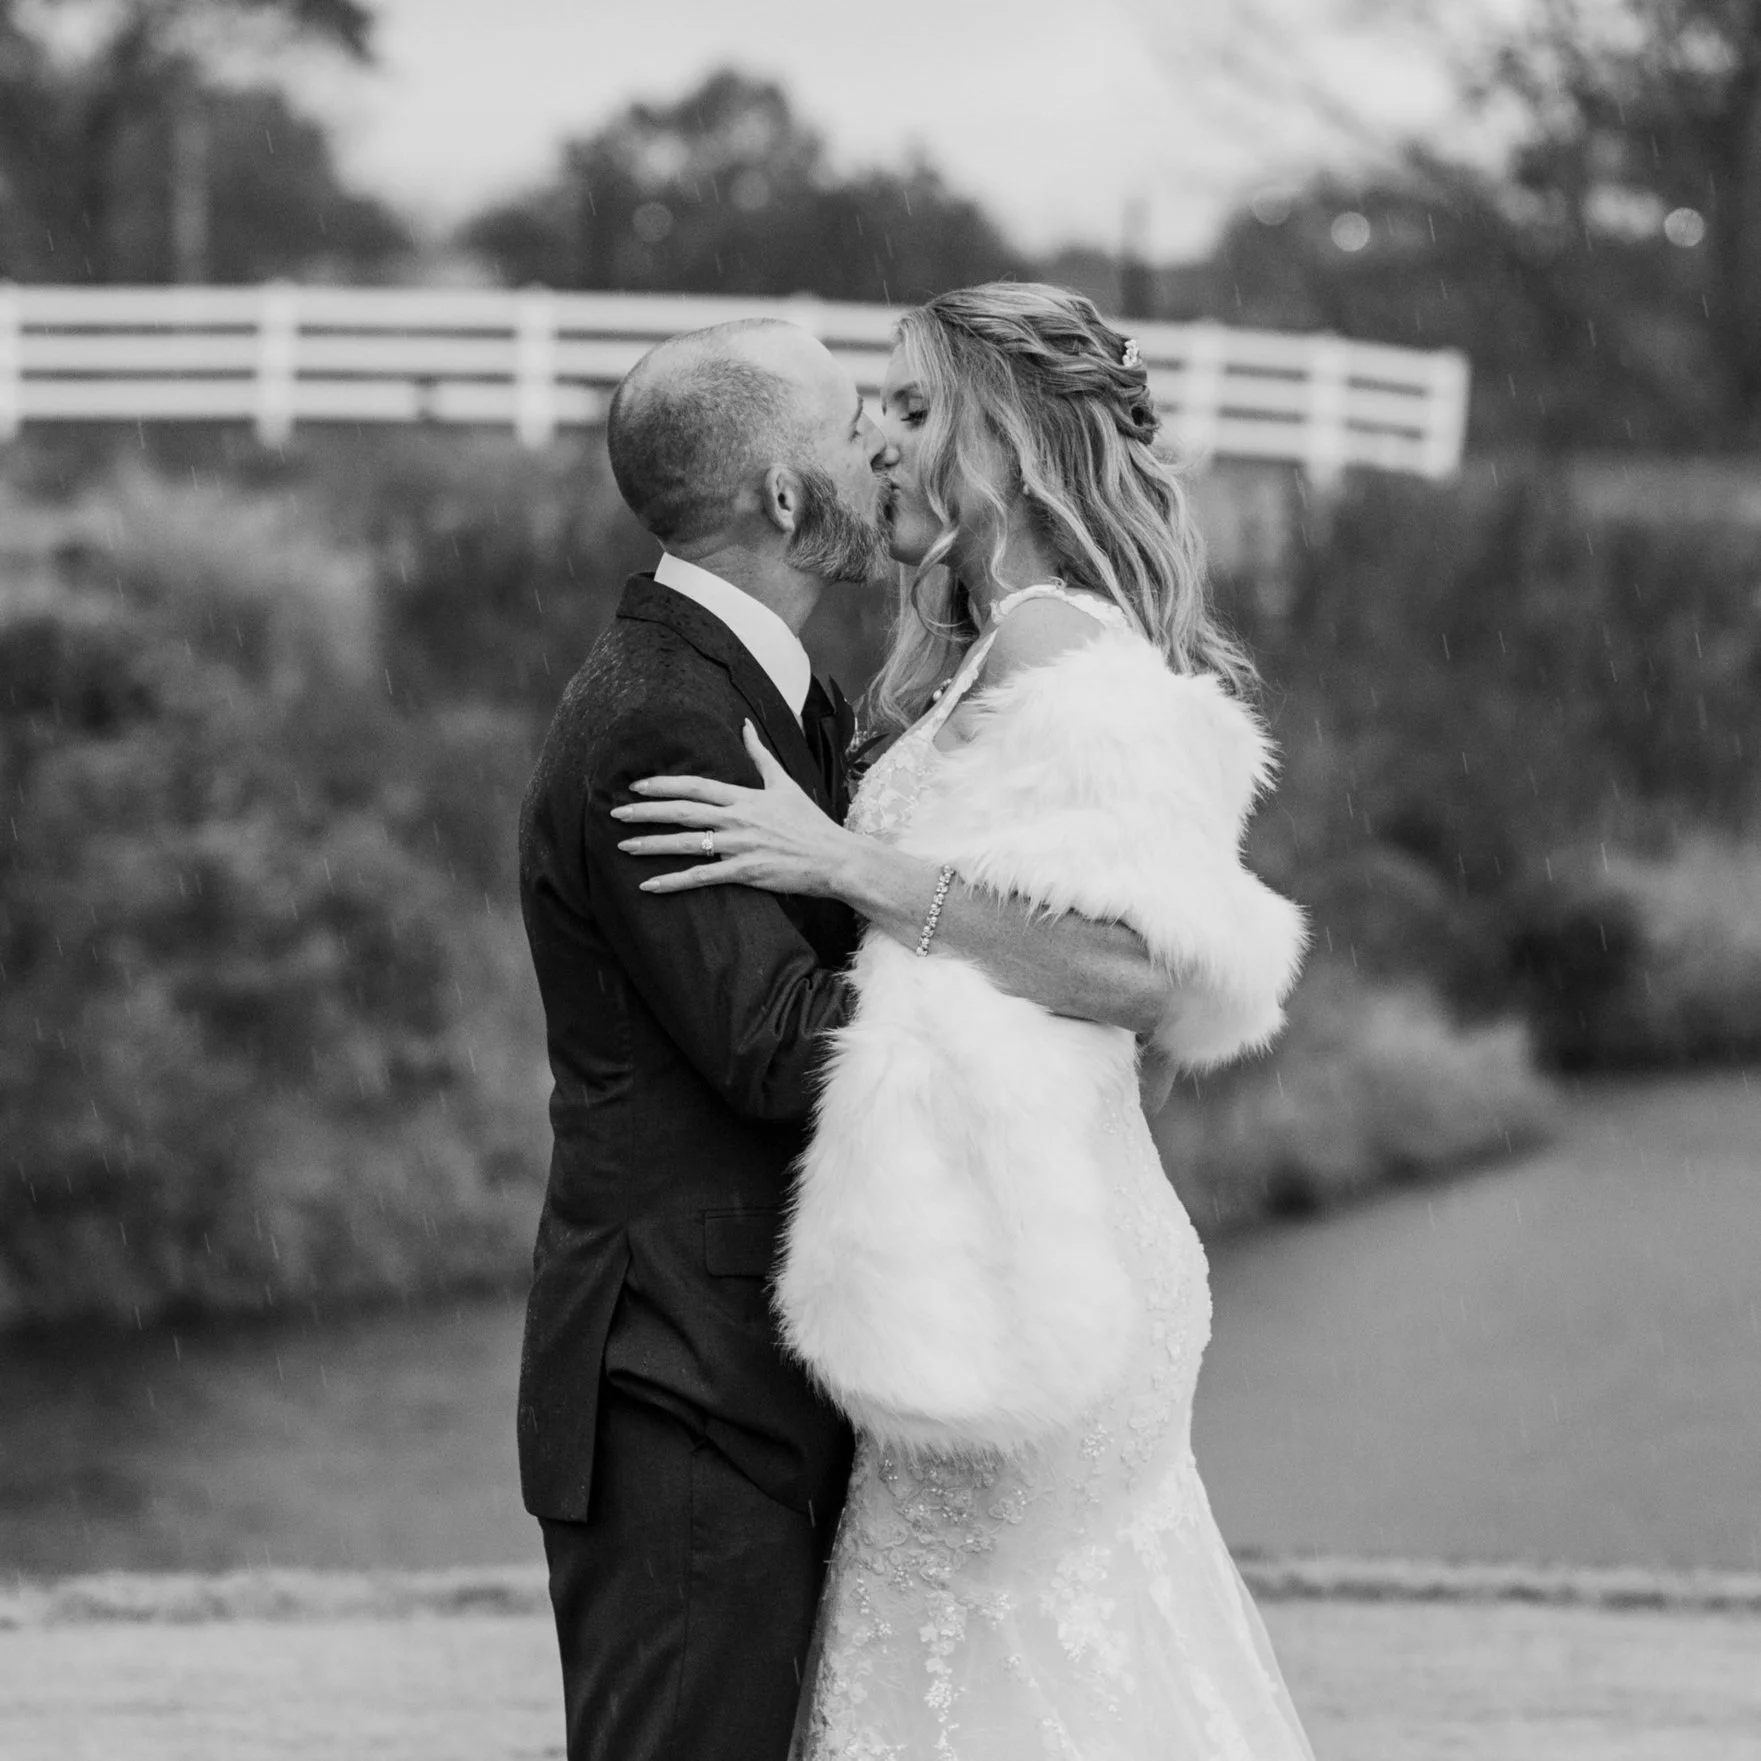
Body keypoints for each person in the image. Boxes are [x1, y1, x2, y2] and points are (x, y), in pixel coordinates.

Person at [611, 284, 1316, 1758]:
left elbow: (1140, 971)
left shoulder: (1065, 655)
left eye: (916, 411)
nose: (883, 441)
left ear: (1012, 442)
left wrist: (846, 861)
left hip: (1046, 1279)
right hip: (981, 1254)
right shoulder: (982, 655)